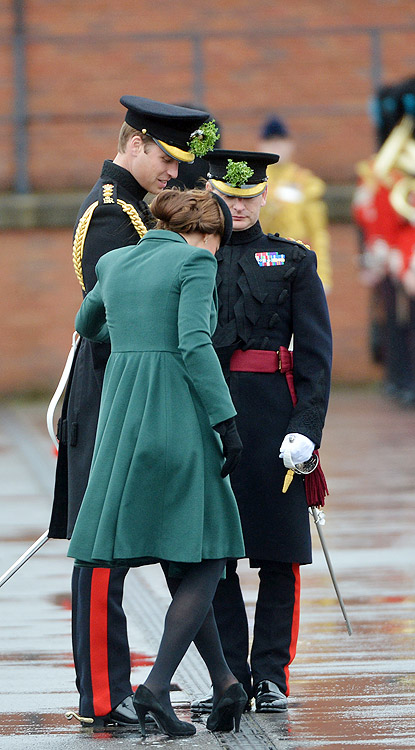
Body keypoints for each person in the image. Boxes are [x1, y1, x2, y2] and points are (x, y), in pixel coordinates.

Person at [48, 96, 219, 727]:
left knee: (168, 543)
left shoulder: (141, 209)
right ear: (138, 144)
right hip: (111, 393)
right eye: (168, 160)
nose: (175, 174)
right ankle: (104, 691)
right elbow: (113, 316)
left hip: (141, 391)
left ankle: (164, 682)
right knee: (102, 550)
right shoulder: (112, 213)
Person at [67, 188, 248, 737]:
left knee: (186, 559)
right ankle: (155, 686)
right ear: (204, 233)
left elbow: (85, 323)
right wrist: (226, 420)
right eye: (218, 240)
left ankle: (224, 685)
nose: (217, 252)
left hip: (124, 418)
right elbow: (194, 344)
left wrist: (129, 338)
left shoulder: (115, 261)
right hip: (177, 412)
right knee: (210, 554)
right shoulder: (194, 261)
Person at [190, 149, 332, 713]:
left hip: (275, 414)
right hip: (207, 413)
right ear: (212, 196)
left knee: (278, 552)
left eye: (249, 197)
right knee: (213, 555)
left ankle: (271, 674)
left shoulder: (293, 260)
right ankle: (229, 675)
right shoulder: (190, 260)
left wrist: (307, 429)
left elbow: (316, 357)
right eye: (228, 197)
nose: (240, 207)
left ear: (265, 197)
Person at [258, 115, 333, 291]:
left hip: (297, 261)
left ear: (290, 144)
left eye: (281, 141)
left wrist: (323, 275)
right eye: (270, 142)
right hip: (264, 262)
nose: (276, 146)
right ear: (261, 146)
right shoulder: (254, 183)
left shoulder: (305, 183)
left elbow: (318, 232)